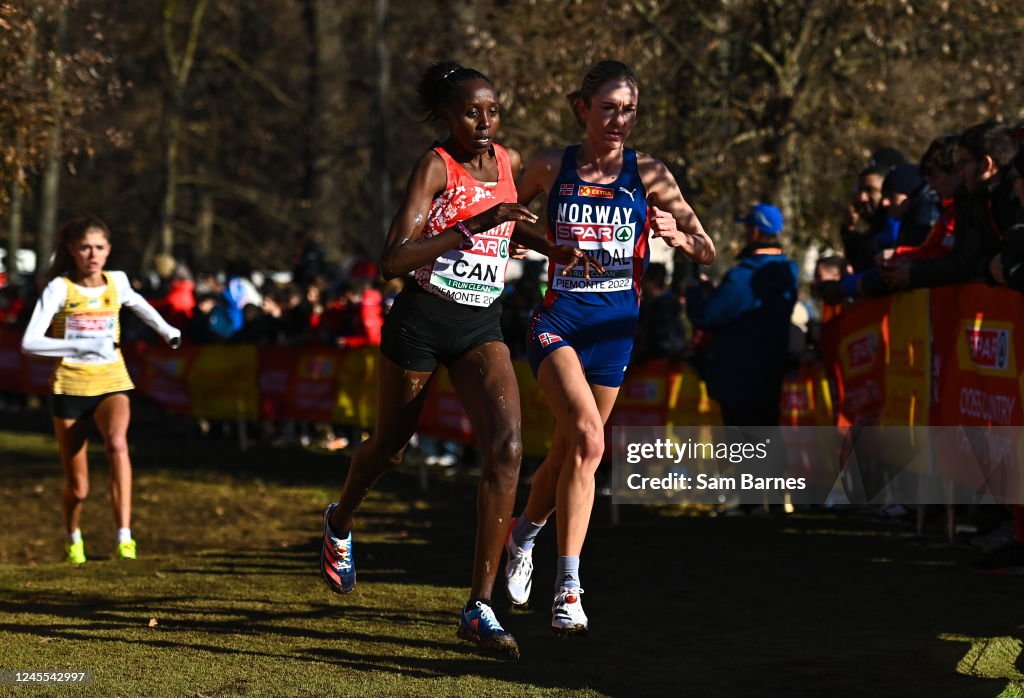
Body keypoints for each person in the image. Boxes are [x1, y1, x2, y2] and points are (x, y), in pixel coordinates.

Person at [318, 62, 588, 659]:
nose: (485, 123)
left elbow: (508, 234)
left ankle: (479, 606)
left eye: (493, 110)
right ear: (447, 116)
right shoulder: (436, 165)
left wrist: (556, 248)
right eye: (472, 112)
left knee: (509, 448)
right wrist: (475, 224)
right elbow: (393, 260)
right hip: (420, 319)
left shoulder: (510, 164)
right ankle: (340, 519)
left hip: (479, 323)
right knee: (391, 446)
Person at [503, 60, 715, 635]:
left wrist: (679, 235)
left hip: (615, 329)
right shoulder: (552, 164)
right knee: (590, 437)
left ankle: (523, 532)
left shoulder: (650, 173)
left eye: (629, 110)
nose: (620, 120)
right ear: (583, 109)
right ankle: (568, 586)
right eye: (609, 109)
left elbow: (706, 247)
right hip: (558, 321)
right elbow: (505, 217)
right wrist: (524, 242)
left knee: (578, 447)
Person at [20, 215, 182, 564]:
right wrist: (75, 347)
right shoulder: (59, 289)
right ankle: (72, 534)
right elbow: (30, 342)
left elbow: (143, 308)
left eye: (98, 247)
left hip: (112, 380)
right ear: (72, 251)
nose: (92, 254)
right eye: (84, 248)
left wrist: (168, 330)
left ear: (108, 250)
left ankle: (125, 536)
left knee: (118, 443)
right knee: (79, 487)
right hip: (71, 386)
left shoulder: (117, 282)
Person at [686, 203, 798, 427]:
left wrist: (694, 292)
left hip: (737, 383)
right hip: (771, 377)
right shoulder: (789, 272)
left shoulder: (743, 276)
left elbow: (707, 317)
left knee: (742, 454)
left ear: (755, 232)